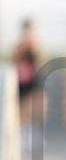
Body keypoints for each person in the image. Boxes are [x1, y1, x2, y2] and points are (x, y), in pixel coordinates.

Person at [12, 18, 45, 151]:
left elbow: (39, 59)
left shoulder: (35, 44)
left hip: (34, 81)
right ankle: (24, 136)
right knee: (22, 111)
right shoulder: (19, 46)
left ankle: (34, 135)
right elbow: (15, 59)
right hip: (22, 82)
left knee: (38, 107)